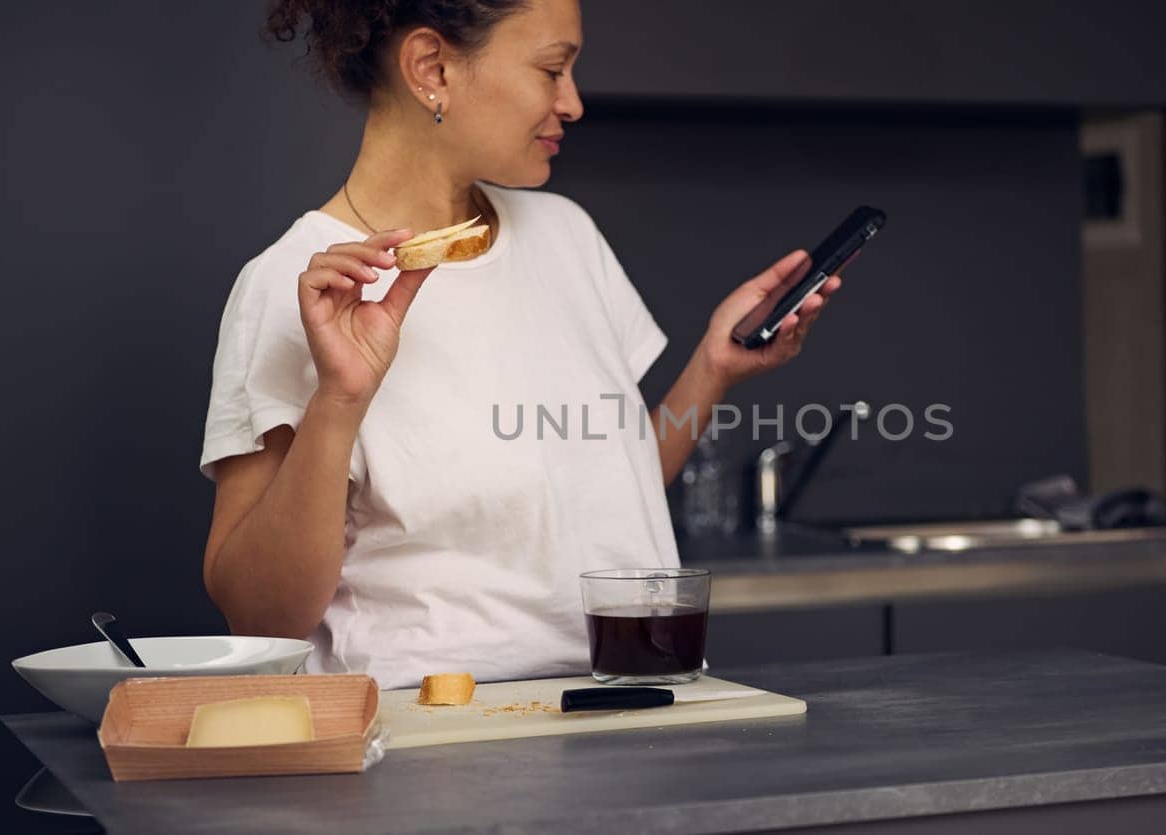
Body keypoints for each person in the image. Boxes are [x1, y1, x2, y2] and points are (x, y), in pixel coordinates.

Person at [198, 0, 843, 687]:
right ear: (432, 67)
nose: (572, 103)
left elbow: (608, 493)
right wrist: (340, 399)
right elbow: (260, 619)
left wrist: (712, 370)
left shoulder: (567, 236)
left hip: (629, 710)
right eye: (552, 68)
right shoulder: (294, 287)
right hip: (433, 747)